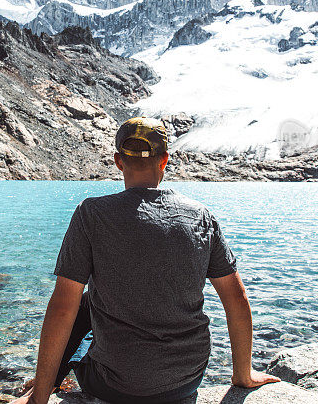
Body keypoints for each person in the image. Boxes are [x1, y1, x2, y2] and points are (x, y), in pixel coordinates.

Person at [14, 117, 278, 404]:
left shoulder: (91, 214)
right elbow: (236, 298)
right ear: (164, 160)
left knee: (84, 302)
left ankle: (43, 388)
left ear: (118, 161)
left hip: (113, 387)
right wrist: (243, 374)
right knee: (94, 300)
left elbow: (63, 307)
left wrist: (38, 400)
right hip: (187, 381)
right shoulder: (201, 215)